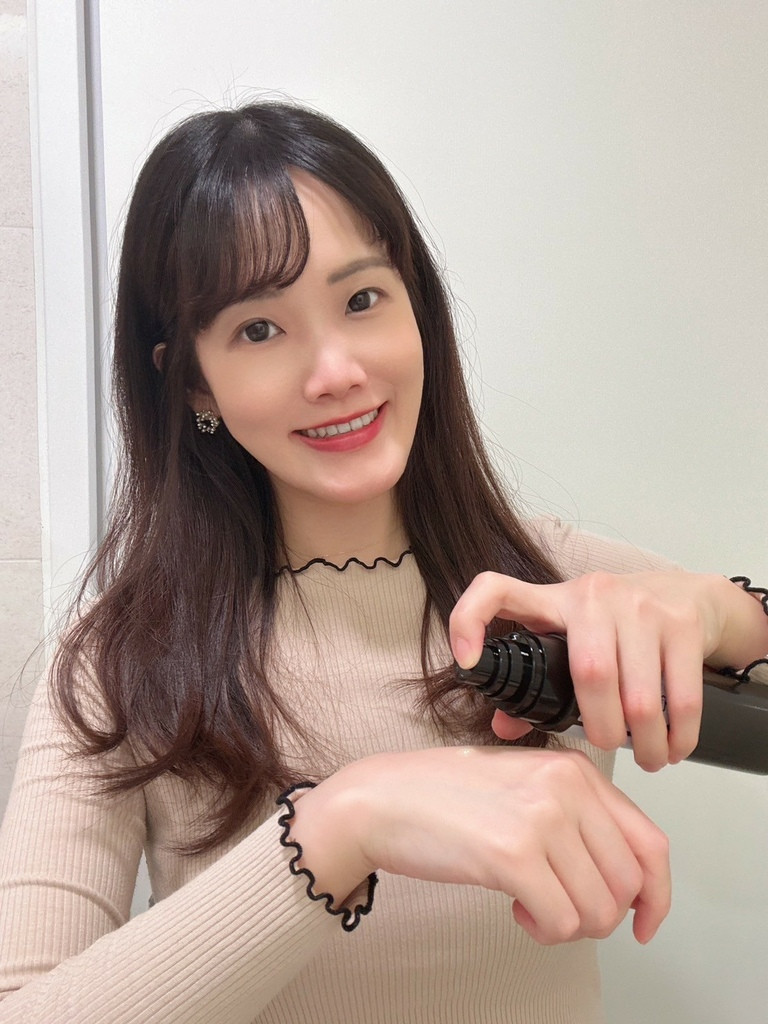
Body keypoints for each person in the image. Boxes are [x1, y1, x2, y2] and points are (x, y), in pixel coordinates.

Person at [0, 101, 766, 1024]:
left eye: (362, 300)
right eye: (258, 329)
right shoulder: (124, 661)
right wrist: (340, 826)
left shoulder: (551, 582)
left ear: (416, 309)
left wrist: (721, 614)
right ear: (194, 379)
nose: (336, 371)